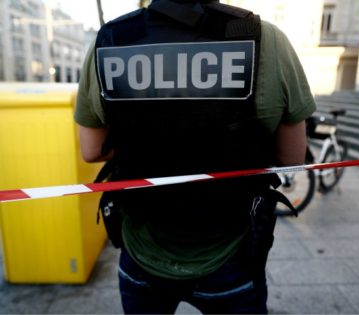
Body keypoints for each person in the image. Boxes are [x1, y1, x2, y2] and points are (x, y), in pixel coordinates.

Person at [75, 0, 316, 313]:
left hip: (142, 254)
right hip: (231, 256)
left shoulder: (112, 39)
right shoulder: (264, 38)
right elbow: (293, 155)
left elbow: (91, 150)